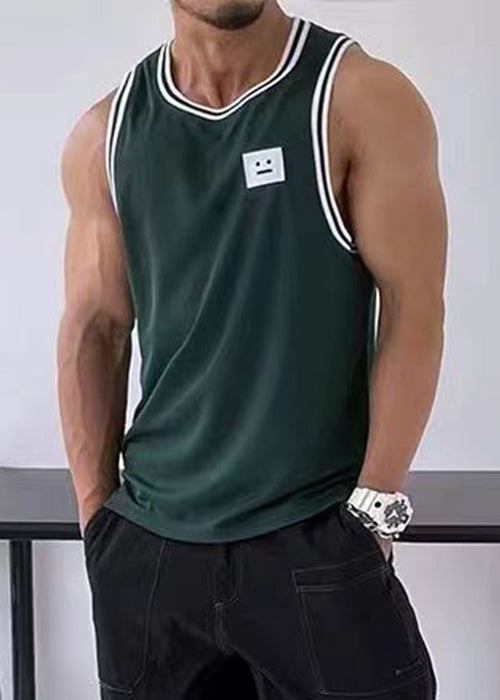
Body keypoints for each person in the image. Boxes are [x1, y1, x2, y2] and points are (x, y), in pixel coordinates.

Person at [57, 0, 447, 697]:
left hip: (315, 538)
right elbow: (95, 328)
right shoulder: (105, 136)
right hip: (151, 555)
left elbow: (415, 310)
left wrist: (373, 511)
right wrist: (98, 524)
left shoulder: (358, 98)